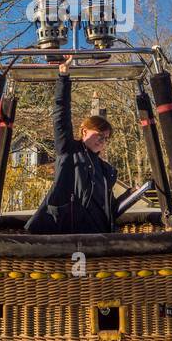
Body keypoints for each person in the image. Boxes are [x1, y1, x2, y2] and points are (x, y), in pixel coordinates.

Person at [25, 55, 118, 234]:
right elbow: (61, 116)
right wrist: (64, 79)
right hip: (66, 235)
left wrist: (132, 194)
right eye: (99, 135)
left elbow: (108, 207)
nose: (102, 141)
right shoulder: (69, 150)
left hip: (98, 238)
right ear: (84, 131)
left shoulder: (105, 170)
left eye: (106, 138)